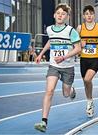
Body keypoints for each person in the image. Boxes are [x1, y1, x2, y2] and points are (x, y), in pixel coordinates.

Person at [34, 3, 81, 132]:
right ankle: (44, 122)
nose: (60, 15)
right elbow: (51, 41)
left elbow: (78, 48)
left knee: (66, 94)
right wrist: (41, 54)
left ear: (67, 17)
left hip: (67, 66)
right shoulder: (49, 29)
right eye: (58, 13)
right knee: (49, 91)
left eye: (63, 14)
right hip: (54, 65)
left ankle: (71, 90)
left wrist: (64, 57)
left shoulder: (71, 31)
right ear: (54, 15)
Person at [77, 5, 98, 117]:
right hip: (84, 59)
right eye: (86, 14)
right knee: (86, 83)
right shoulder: (80, 28)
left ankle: (90, 101)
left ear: (94, 15)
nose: (89, 15)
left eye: (91, 13)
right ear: (83, 16)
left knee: (87, 79)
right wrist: (79, 45)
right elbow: (75, 41)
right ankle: (89, 101)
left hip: (95, 58)